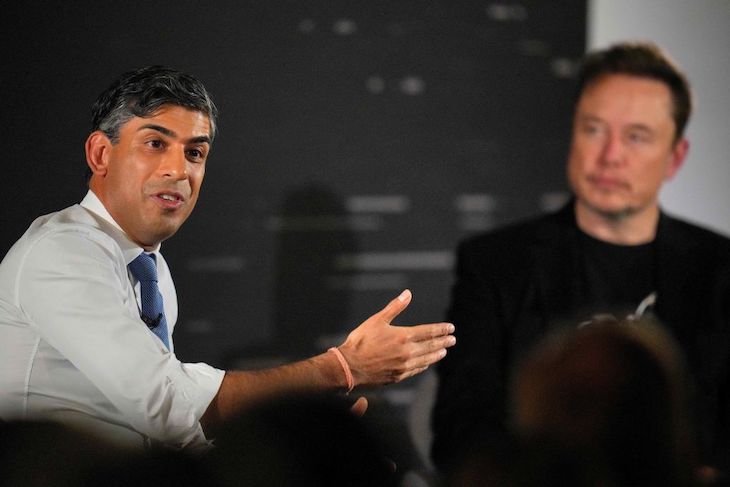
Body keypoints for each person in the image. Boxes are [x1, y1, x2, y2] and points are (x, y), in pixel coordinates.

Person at [0, 66, 456, 452]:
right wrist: (343, 368)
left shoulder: (148, 270)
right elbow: (169, 407)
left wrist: (302, 455)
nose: (179, 170)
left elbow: (174, 436)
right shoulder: (63, 251)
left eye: (194, 152)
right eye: (155, 143)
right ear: (101, 153)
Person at [431, 41, 730, 481]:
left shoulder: (720, 269)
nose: (610, 156)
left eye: (636, 137)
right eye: (593, 129)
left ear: (675, 158)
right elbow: (461, 429)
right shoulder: (496, 265)